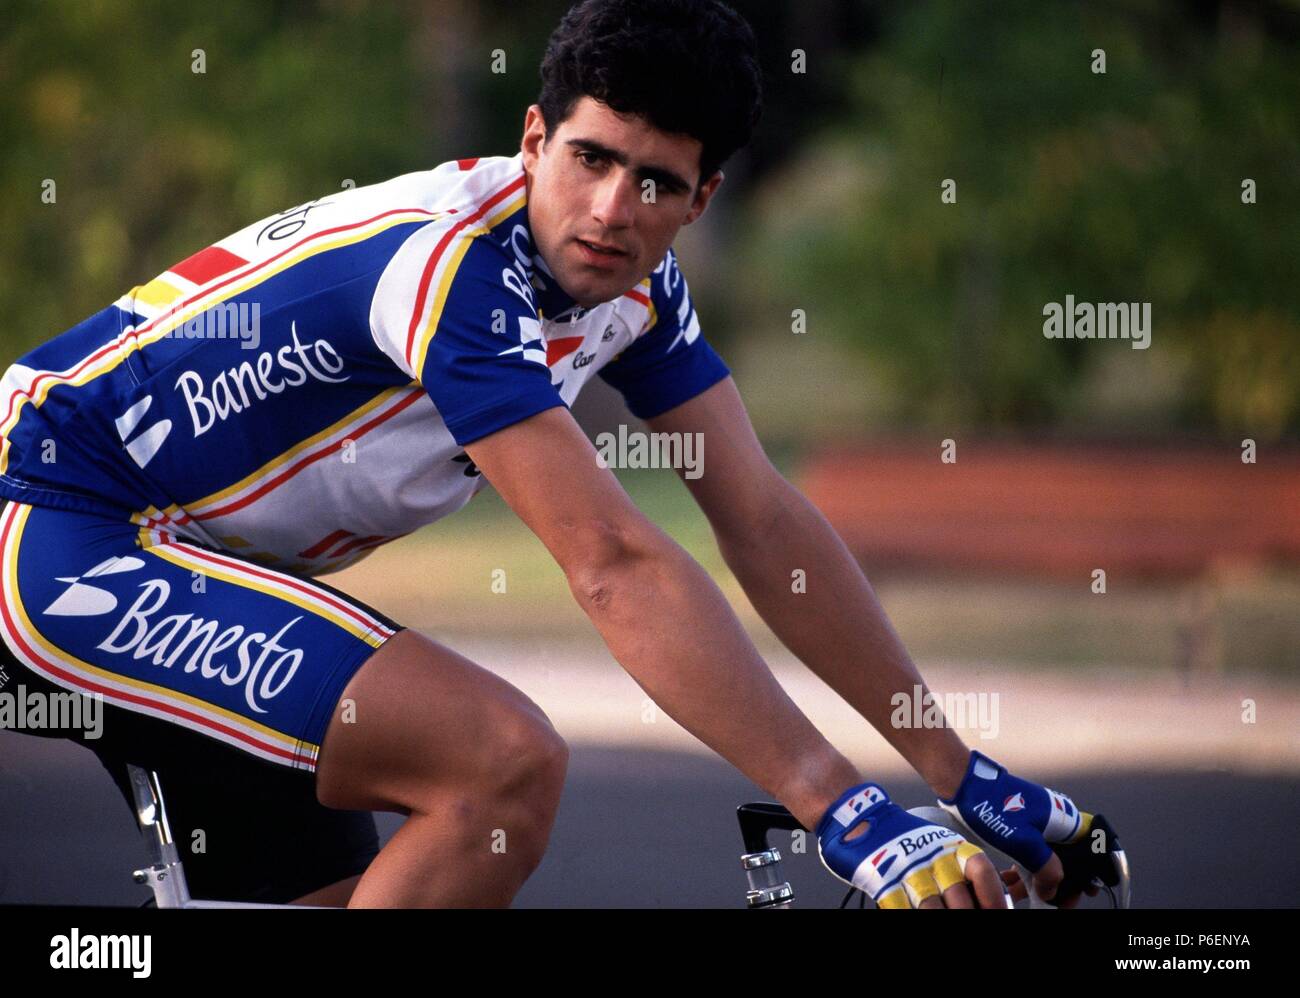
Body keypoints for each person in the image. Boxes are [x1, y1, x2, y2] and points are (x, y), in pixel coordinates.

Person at [0, 0, 1101, 908]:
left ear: (701, 198)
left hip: (195, 564)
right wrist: (844, 807)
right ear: (533, 139)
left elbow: (761, 521)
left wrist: (955, 768)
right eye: (589, 159)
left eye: (657, 182)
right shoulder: (451, 268)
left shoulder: (638, 293)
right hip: (58, 524)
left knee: (385, 883)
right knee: (498, 765)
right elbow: (611, 562)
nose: (613, 210)